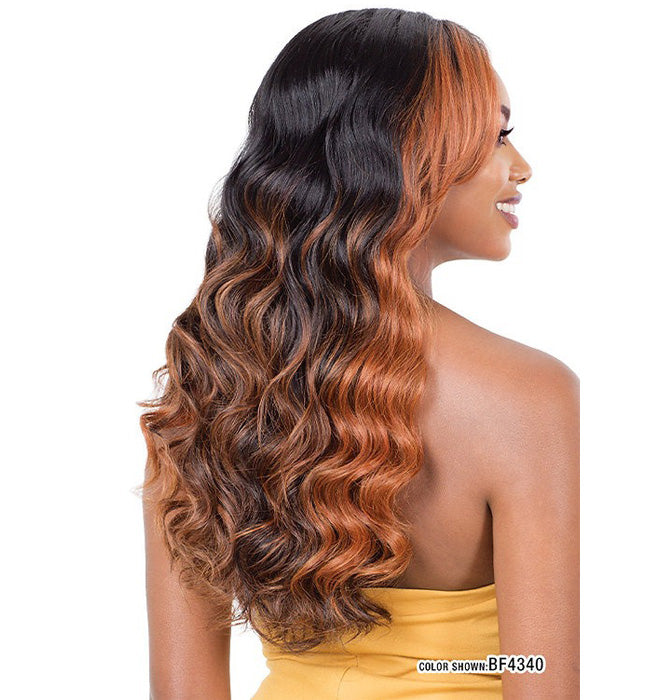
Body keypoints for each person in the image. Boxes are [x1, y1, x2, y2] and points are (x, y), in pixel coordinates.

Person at [139, 8, 579, 699]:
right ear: (405, 154)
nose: (521, 167)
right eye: (497, 136)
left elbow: (182, 690)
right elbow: (541, 680)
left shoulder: (208, 387)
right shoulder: (529, 393)